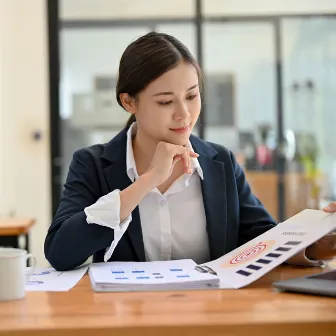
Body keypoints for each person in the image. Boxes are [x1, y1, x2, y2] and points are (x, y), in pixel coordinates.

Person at [44, 32, 336, 271]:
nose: (184, 114)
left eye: (192, 96)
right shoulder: (92, 163)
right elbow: (60, 253)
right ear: (129, 102)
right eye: (165, 102)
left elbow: (263, 240)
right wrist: (147, 181)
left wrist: (319, 239)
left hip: (210, 314)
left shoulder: (220, 162)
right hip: (129, 318)